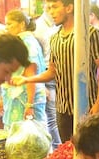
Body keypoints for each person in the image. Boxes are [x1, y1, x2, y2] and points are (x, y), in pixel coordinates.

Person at [11, 0, 99, 144]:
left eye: (55, 7)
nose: (51, 12)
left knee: (90, 153)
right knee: (68, 152)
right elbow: (52, 72)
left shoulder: (89, 33)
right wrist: (26, 80)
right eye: (49, 8)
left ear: (69, 8)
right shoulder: (55, 39)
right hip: (63, 109)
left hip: (87, 107)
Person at [1, 9, 47, 129]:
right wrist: (2, 97)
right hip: (18, 99)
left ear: (21, 24)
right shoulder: (21, 42)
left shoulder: (27, 44)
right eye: (5, 24)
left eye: (9, 24)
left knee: (27, 140)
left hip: (25, 100)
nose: (6, 27)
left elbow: (30, 76)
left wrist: (29, 105)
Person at [33, 12, 61, 146]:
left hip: (60, 77)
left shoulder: (60, 27)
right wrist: (41, 84)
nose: (52, 9)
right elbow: (36, 60)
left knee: (59, 116)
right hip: (47, 76)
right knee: (52, 117)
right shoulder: (38, 28)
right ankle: (58, 148)